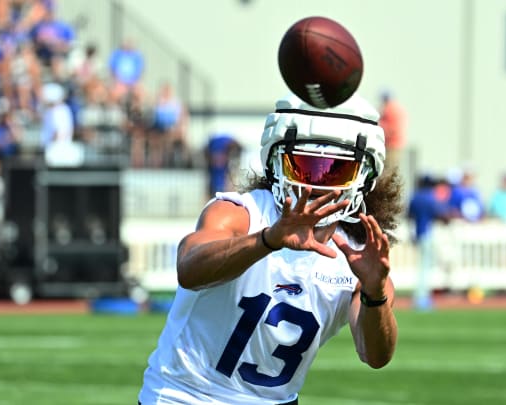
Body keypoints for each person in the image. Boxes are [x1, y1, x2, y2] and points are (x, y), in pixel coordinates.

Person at [139, 92, 402, 404]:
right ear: (275, 162)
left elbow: (375, 355)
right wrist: (266, 240)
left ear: (363, 178)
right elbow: (189, 269)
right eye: (303, 167)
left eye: (336, 171)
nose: (316, 184)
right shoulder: (241, 214)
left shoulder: (357, 257)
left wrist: (375, 293)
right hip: (184, 397)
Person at [407, 173, 450, 310]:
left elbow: (409, 215)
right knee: (425, 268)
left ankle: (421, 296)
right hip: (426, 233)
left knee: (422, 266)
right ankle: (422, 298)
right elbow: (440, 213)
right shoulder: (430, 197)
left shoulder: (415, 197)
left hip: (416, 233)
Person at [377, 89, 407, 172]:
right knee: (391, 169)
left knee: (388, 170)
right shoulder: (397, 108)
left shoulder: (390, 109)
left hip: (391, 145)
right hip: (396, 145)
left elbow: (392, 129)